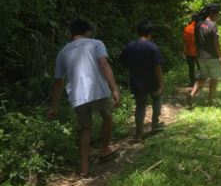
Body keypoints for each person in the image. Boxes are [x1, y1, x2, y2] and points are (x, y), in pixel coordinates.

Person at [48, 19, 121, 177]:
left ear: (71, 33)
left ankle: (84, 167)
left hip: (77, 95)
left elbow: (58, 83)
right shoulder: (96, 43)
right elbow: (104, 65)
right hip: (99, 90)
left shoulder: (62, 52)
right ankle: (105, 148)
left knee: (84, 129)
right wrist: (114, 88)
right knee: (107, 117)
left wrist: (54, 106)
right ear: (87, 31)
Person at [119, 21, 165, 140]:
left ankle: (139, 133)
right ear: (150, 33)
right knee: (157, 98)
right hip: (152, 82)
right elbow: (157, 67)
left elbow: (124, 63)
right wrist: (161, 84)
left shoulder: (130, 46)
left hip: (136, 82)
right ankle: (155, 124)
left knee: (140, 106)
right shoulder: (152, 47)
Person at [188, 4, 221, 108]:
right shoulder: (213, 25)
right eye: (218, 14)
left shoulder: (199, 24)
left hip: (200, 56)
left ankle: (192, 94)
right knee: (214, 79)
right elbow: (216, 44)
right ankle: (210, 102)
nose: (218, 17)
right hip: (212, 57)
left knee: (203, 77)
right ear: (214, 14)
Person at [183, 13, 199, 86]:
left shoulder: (187, 28)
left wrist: (184, 51)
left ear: (192, 19)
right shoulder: (201, 27)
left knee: (191, 68)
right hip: (199, 52)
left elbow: (185, 41)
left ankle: (192, 82)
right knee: (201, 67)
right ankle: (201, 81)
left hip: (189, 52)